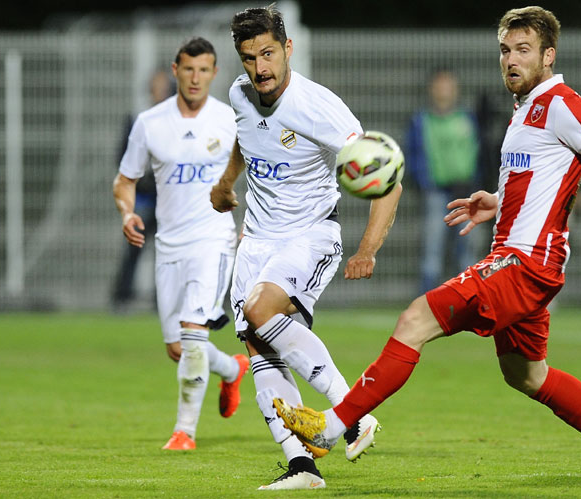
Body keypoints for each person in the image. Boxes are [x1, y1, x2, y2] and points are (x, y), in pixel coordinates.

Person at [274, 6, 581, 489]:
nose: (511, 60)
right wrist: (499, 201)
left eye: (523, 50)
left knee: (415, 318)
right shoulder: (526, 108)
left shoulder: (561, 104)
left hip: (524, 263)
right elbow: (547, 178)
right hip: (520, 260)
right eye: (505, 50)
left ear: (549, 55)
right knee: (527, 375)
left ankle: (331, 428)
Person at [209, 5, 403, 490]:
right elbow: (245, 137)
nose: (260, 68)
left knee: (259, 310)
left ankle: (353, 414)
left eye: (268, 54)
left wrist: (368, 248)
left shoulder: (317, 107)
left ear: (288, 48)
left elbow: (388, 177)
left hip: (309, 235)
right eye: (250, 57)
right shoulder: (239, 93)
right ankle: (302, 466)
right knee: (258, 345)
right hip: (256, 239)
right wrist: (226, 182)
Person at [113, 37, 249, 451]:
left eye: (203, 70)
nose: (195, 78)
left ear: (214, 73)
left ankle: (184, 432)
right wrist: (127, 213)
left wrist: (252, 223)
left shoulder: (229, 120)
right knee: (180, 348)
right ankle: (232, 370)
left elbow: (259, 173)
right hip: (169, 246)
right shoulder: (150, 122)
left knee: (192, 333)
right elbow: (125, 180)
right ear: (175, 71)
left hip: (214, 241)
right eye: (188, 69)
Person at [406, 70, 481, 293]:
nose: (444, 91)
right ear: (432, 89)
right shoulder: (421, 121)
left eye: (448, 85)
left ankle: (469, 296)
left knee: (467, 247)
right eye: (440, 86)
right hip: (435, 192)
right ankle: (427, 298)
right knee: (432, 248)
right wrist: (422, 181)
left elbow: (478, 151)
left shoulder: (467, 118)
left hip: (466, 192)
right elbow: (413, 154)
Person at [111, 69, 174, 312]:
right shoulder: (139, 118)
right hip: (144, 196)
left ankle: (162, 299)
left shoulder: (176, 119)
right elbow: (123, 157)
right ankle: (121, 296)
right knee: (134, 246)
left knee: (166, 250)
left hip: (168, 196)